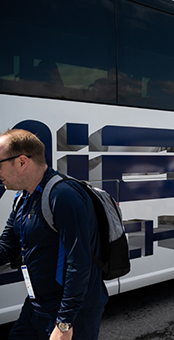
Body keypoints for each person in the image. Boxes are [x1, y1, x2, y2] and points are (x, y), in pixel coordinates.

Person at [0, 129, 108, 340]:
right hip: (37, 303)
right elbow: (7, 246)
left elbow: (80, 262)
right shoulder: (22, 198)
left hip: (72, 311)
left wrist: (65, 323)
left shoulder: (63, 195)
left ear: (22, 162)